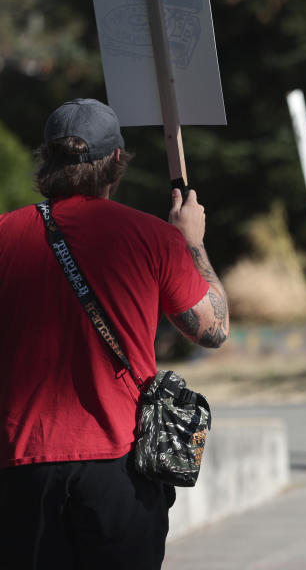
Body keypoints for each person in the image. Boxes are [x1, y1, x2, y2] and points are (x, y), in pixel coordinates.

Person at [0, 98, 229, 568]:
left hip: (21, 463)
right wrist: (193, 242)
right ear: (116, 163)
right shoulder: (153, 238)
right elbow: (213, 330)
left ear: (46, 160)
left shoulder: (5, 234)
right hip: (119, 467)